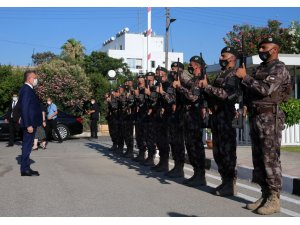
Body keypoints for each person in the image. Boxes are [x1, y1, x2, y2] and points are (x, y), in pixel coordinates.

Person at [236, 37, 292, 215]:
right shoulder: (261, 68)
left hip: (270, 117)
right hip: (256, 116)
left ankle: (274, 198)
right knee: (258, 158)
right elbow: (252, 92)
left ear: (274, 49)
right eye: (260, 47)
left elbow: (264, 89)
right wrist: (245, 103)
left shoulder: (279, 68)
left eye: (264, 47)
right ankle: (265, 194)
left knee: (270, 159)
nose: (260, 50)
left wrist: (245, 77)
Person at [199, 47, 242, 196]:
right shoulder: (221, 74)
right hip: (217, 116)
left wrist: (208, 87)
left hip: (227, 116)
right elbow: (213, 95)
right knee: (218, 152)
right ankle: (224, 181)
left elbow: (225, 95)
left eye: (223, 55)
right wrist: (205, 90)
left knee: (227, 151)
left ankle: (230, 183)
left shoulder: (235, 74)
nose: (220, 58)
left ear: (232, 58)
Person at [173, 56, 207, 187]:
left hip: (194, 117)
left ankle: (200, 175)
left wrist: (180, 87)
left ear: (198, 66)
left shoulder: (201, 79)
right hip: (187, 117)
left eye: (192, 65)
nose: (190, 67)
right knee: (190, 146)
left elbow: (193, 97)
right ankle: (196, 174)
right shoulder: (193, 80)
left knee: (196, 146)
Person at [19, 70, 42, 176]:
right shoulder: (26, 89)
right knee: (27, 146)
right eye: (34, 78)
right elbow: (24, 108)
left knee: (28, 146)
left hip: (31, 123)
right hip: (29, 124)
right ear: (29, 78)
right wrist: (28, 124)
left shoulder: (29, 89)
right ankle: (24, 169)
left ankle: (27, 167)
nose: (36, 80)